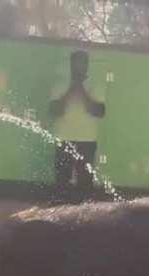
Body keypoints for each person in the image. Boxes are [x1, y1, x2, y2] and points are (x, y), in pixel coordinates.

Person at [49, 50, 105, 199]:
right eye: (76, 63)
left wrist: (82, 90)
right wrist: (70, 89)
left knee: (85, 183)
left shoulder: (96, 84)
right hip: (64, 138)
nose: (79, 67)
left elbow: (99, 112)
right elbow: (55, 111)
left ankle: (84, 215)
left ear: (87, 65)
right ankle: (61, 213)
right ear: (71, 65)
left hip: (87, 140)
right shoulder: (60, 84)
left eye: (83, 63)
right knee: (62, 182)